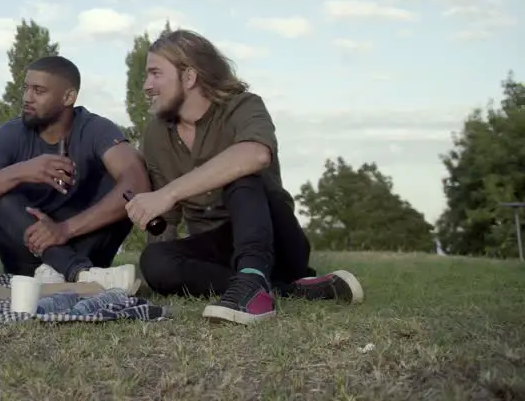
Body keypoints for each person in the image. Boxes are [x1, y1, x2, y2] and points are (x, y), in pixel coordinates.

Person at [127, 29, 364, 325]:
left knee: (242, 171)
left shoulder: (244, 105)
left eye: (155, 74)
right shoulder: (155, 133)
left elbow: (256, 155)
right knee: (154, 261)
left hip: (273, 238)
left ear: (189, 77)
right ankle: (286, 290)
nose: (147, 85)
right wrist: (161, 269)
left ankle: (253, 279)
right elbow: (168, 219)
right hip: (216, 249)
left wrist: (168, 193)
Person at [0, 56, 148, 291]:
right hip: (29, 261)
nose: (26, 98)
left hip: (85, 249)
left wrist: (64, 230)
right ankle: (76, 272)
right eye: (25, 89)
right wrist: (23, 171)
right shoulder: (12, 133)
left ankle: (71, 270)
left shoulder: (96, 129)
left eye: (38, 90)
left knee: (122, 187)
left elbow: (138, 186)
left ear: (68, 97)